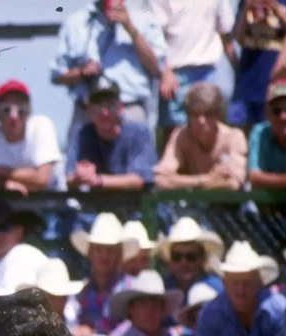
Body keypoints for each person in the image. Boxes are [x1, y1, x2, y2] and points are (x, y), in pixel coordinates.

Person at [50, 0, 166, 144]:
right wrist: (81, 73)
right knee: (80, 165)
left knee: (137, 165)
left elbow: (157, 68)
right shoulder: (76, 22)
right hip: (88, 112)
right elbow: (56, 75)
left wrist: (130, 28)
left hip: (129, 109)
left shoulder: (144, 18)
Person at [150, 0, 236, 138]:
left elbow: (226, 34)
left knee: (208, 131)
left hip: (207, 72)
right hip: (175, 73)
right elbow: (155, 35)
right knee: (175, 132)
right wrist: (165, 72)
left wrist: (238, 69)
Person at [66, 212, 139, 336]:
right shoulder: (83, 292)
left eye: (110, 250)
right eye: (99, 250)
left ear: (119, 255)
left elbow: (136, 323)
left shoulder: (131, 287)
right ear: (90, 254)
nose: (104, 256)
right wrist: (80, 329)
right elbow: (76, 321)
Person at [66, 77, 157, 193]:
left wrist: (98, 180)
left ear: (120, 107)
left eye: (110, 105)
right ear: (88, 110)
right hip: (93, 207)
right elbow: (68, 177)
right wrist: (80, 176)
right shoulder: (81, 135)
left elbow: (139, 179)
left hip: (133, 205)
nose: (104, 113)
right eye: (98, 106)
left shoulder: (138, 132)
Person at [154, 82, 248, 190]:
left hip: (229, 205)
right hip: (192, 204)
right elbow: (160, 179)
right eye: (195, 114)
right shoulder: (180, 135)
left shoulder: (234, 137)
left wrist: (179, 181)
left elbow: (233, 183)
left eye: (208, 114)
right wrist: (205, 179)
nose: (201, 121)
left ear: (218, 115)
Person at [229, 0, 286, 130]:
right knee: (240, 129)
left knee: (272, 131)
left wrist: (279, 13)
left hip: (275, 81)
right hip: (247, 80)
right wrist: (246, 9)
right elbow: (239, 38)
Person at [157, 216, 225, 302]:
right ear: (171, 261)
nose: (183, 263)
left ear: (202, 259)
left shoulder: (214, 290)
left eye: (190, 257)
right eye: (177, 257)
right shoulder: (163, 288)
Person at [247, 77, 286, 192]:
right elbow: (253, 177)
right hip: (265, 206)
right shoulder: (259, 133)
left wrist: (268, 180)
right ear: (267, 113)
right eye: (277, 111)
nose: (284, 117)